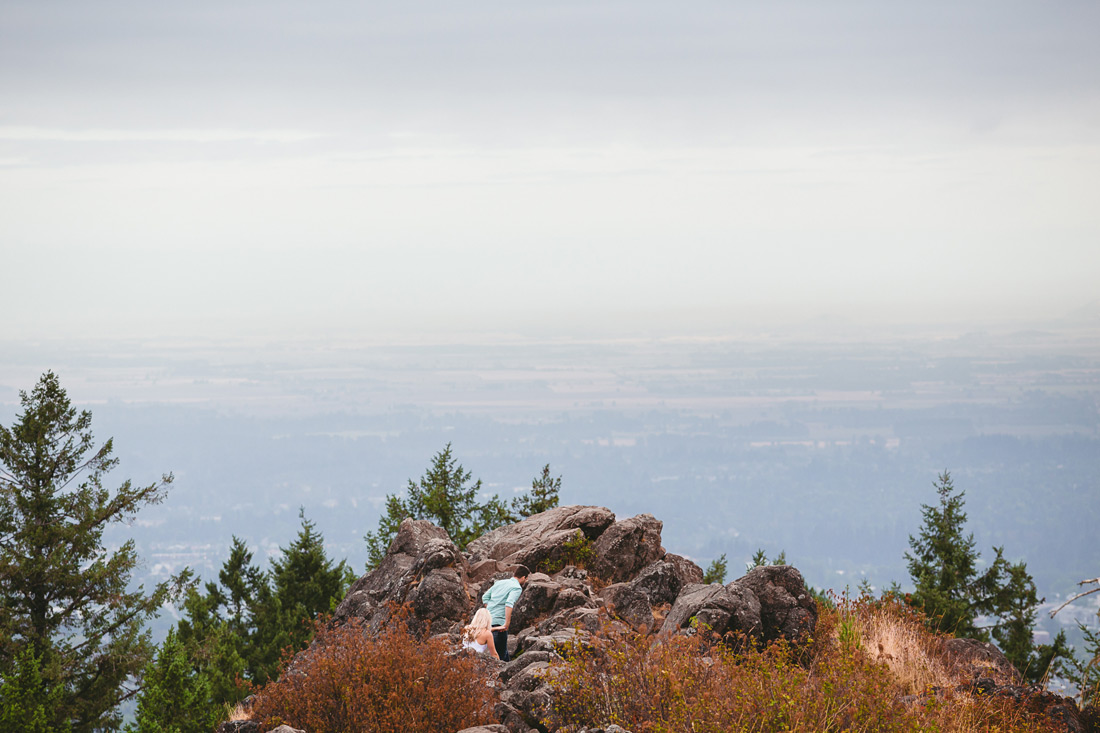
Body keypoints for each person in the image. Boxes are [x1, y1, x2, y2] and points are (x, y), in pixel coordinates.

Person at [481, 564, 530, 662]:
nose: (526, 581)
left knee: (500, 653)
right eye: (527, 579)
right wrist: (506, 623)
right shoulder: (517, 587)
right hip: (499, 624)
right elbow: (509, 603)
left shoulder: (500, 583)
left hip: (487, 622)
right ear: (523, 577)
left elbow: (485, 597)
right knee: (500, 657)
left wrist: (490, 610)